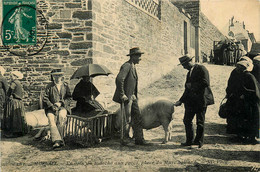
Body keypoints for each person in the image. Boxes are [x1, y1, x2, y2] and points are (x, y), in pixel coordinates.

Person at [175, 55, 214, 148]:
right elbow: (187, 89)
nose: (184, 67)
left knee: (200, 122)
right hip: (190, 102)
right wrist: (181, 100)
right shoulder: (189, 73)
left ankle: (199, 142)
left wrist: (192, 86)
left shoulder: (201, 68)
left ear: (190, 62)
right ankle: (189, 141)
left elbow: (206, 82)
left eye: (185, 65)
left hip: (201, 100)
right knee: (187, 120)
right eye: (183, 65)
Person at [113, 47, 147, 145]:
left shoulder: (133, 66)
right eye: (138, 56)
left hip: (132, 97)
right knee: (127, 119)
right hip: (127, 98)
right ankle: (125, 139)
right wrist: (122, 94)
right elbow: (119, 80)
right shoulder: (126, 66)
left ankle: (139, 139)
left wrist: (134, 95)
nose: (140, 58)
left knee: (137, 116)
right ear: (133, 56)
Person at [225, 60, 260, 144]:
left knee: (250, 120)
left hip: (251, 104)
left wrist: (245, 95)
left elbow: (255, 91)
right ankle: (241, 136)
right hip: (243, 103)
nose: (237, 68)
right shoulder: (241, 75)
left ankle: (251, 138)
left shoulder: (249, 76)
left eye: (239, 67)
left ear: (243, 68)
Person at [42, 69, 72, 149]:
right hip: (51, 108)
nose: (57, 77)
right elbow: (45, 98)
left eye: (59, 75)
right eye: (55, 75)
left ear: (62, 76)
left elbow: (69, 98)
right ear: (52, 76)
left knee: (61, 117)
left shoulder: (65, 86)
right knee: (51, 119)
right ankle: (56, 141)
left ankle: (61, 138)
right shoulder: (49, 86)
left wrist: (61, 103)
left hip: (62, 107)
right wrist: (52, 106)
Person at [3, 71, 28, 138]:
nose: (10, 77)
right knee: (19, 116)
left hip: (15, 102)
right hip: (19, 102)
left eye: (12, 76)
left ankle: (14, 132)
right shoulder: (18, 83)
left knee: (14, 116)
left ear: (16, 77)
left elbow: (10, 90)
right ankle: (20, 131)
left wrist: (7, 97)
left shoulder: (14, 83)